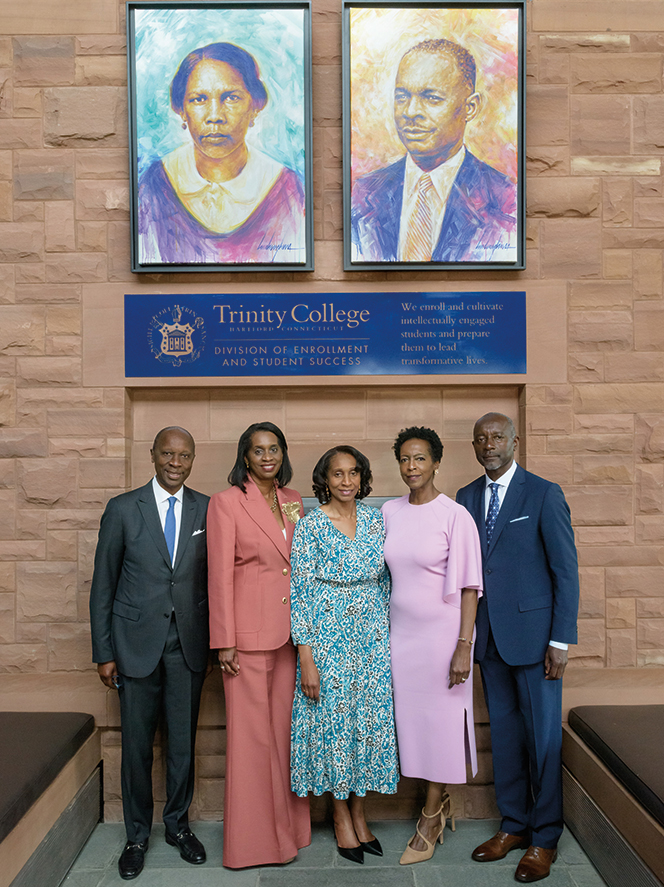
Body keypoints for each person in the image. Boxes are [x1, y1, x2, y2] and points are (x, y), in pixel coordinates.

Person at [456, 413, 579, 883]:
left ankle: (544, 837)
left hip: (536, 642)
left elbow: (565, 571)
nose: (490, 444)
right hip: (489, 642)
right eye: (482, 438)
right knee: (505, 740)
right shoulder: (466, 497)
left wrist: (560, 639)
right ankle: (513, 826)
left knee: (543, 741)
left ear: (515, 441)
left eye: (498, 437)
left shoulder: (543, 493)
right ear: (474, 445)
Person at [89, 426, 210, 880]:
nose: (176, 462)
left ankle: (178, 827)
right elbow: (103, 584)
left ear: (193, 459)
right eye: (168, 453)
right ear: (153, 456)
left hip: (189, 648)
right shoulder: (122, 509)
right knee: (138, 748)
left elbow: (212, 581)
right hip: (134, 647)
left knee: (182, 746)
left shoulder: (207, 508)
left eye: (184, 455)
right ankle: (137, 835)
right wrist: (104, 651)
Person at [207, 422, 310, 868]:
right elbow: (219, 576)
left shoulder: (292, 501)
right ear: (245, 458)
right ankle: (251, 845)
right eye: (257, 450)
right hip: (245, 642)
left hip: (290, 638)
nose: (267, 456)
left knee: (283, 738)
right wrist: (224, 641)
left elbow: (298, 567)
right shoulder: (226, 503)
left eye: (274, 449)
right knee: (251, 743)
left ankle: (290, 832)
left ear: (283, 454)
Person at [290, 446, 399, 865]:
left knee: (365, 725)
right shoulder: (311, 526)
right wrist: (306, 656)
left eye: (354, 473)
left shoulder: (377, 521)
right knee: (334, 724)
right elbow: (299, 593)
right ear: (325, 479)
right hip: (328, 640)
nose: (347, 481)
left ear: (363, 477)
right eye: (338, 474)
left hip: (371, 639)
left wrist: (385, 635)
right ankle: (338, 814)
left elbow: (387, 582)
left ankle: (359, 810)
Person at [382, 426, 483, 865]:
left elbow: (469, 587)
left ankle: (430, 817)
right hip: (400, 638)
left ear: (437, 462)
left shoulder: (454, 515)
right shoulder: (388, 511)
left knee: (441, 726)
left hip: (444, 639)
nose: (411, 467)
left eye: (420, 458)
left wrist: (464, 644)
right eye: (405, 459)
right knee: (414, 725)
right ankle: (438, 804)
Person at [351, 38, 517, 264]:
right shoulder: (363, 194)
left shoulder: (505, 200)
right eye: (402, 97)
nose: (410, 111)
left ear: (470, 107)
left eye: (431, 98)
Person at [138, 42, 305, 265]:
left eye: (231, 98)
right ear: (181, 110)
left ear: (255, 105)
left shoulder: (287, 189)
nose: (215, 115)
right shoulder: (154, 186)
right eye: (198, 99)